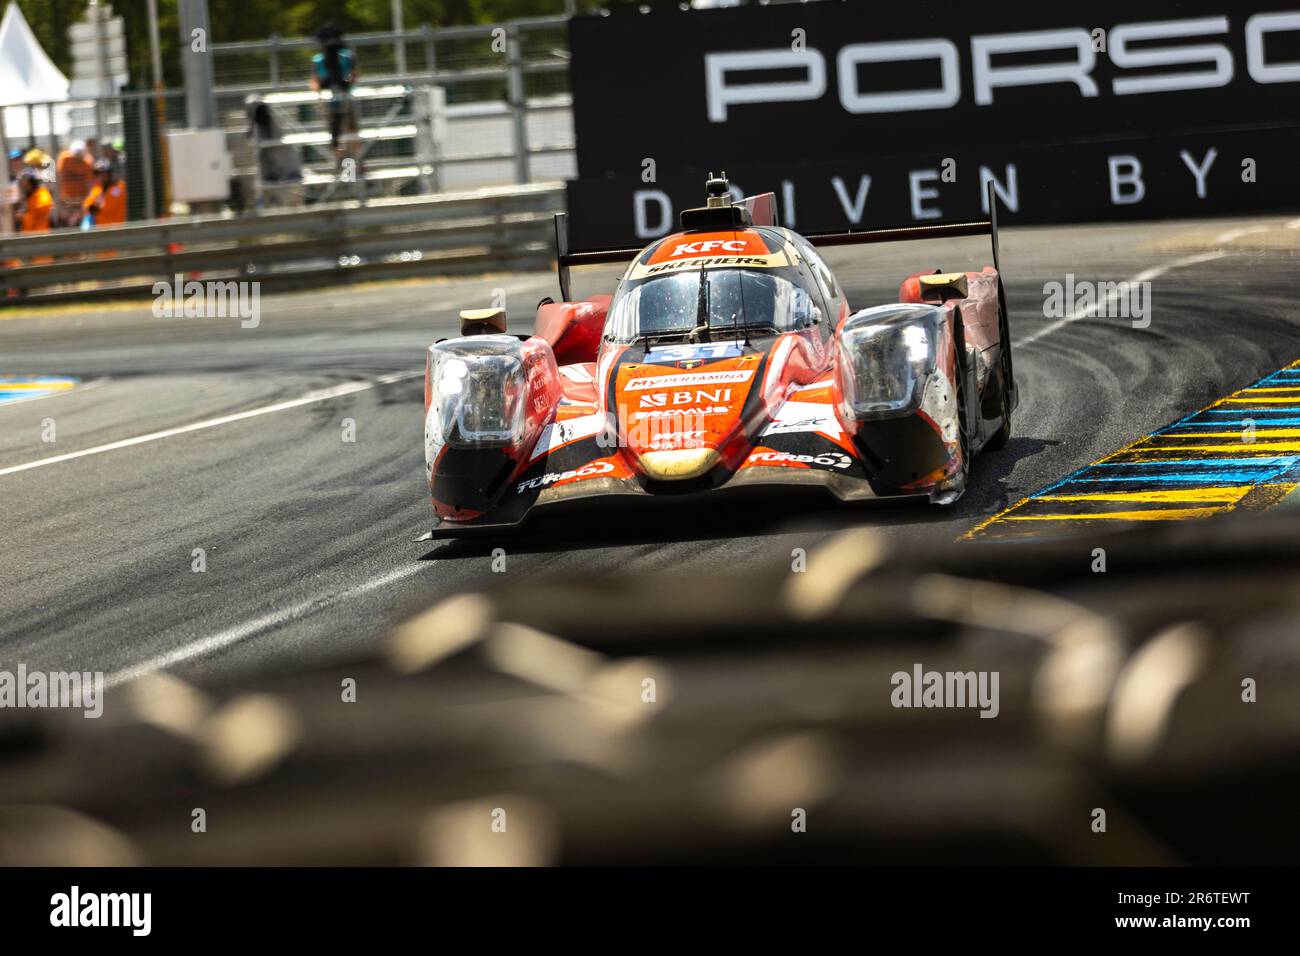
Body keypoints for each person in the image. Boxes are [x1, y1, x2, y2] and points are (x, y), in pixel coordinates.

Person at [310, 25, 360, 165]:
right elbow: (314, 82)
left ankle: (354, 163)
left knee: (351, 130)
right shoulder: (319, 60)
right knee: (335, 133)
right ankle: (341, 163)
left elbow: (354, 76)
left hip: (347, 100)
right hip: (330, 104)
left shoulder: (347, 57)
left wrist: (346, 84)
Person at [56, 140, 95, 227]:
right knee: (65, 223)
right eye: (75, 157)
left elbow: (89, 185)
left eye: (79, 157)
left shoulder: (88, 163)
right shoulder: (64, 159)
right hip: (66, 199)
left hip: (81, 200)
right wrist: (59, 199)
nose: (77, 160)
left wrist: (86, 202)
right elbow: (59, 179)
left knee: (80, 223)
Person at [83, 159, 127, 226]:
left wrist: (96, 206)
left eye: (105, 173)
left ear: (110, 174)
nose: (101, 176)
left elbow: (108, 208)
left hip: (118, 229)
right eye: (98, 174)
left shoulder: (118, 187)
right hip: (102, 230)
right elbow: (87, 207)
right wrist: (95, 207)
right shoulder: (97, 189)